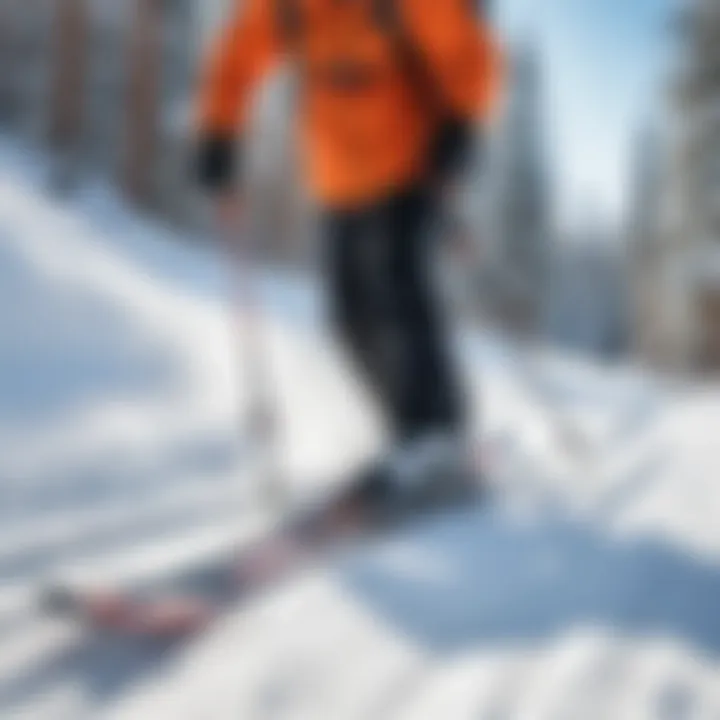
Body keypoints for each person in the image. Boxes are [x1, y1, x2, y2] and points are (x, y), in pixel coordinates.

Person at [196, 0, 503, 512]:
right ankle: (412, 434)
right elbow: (240, 52)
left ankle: (437, 430)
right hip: (336, 181)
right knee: (348, 319)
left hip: (407, 169)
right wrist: (219, 132)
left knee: (399, 294)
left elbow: (470, 56)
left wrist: (462, 129)